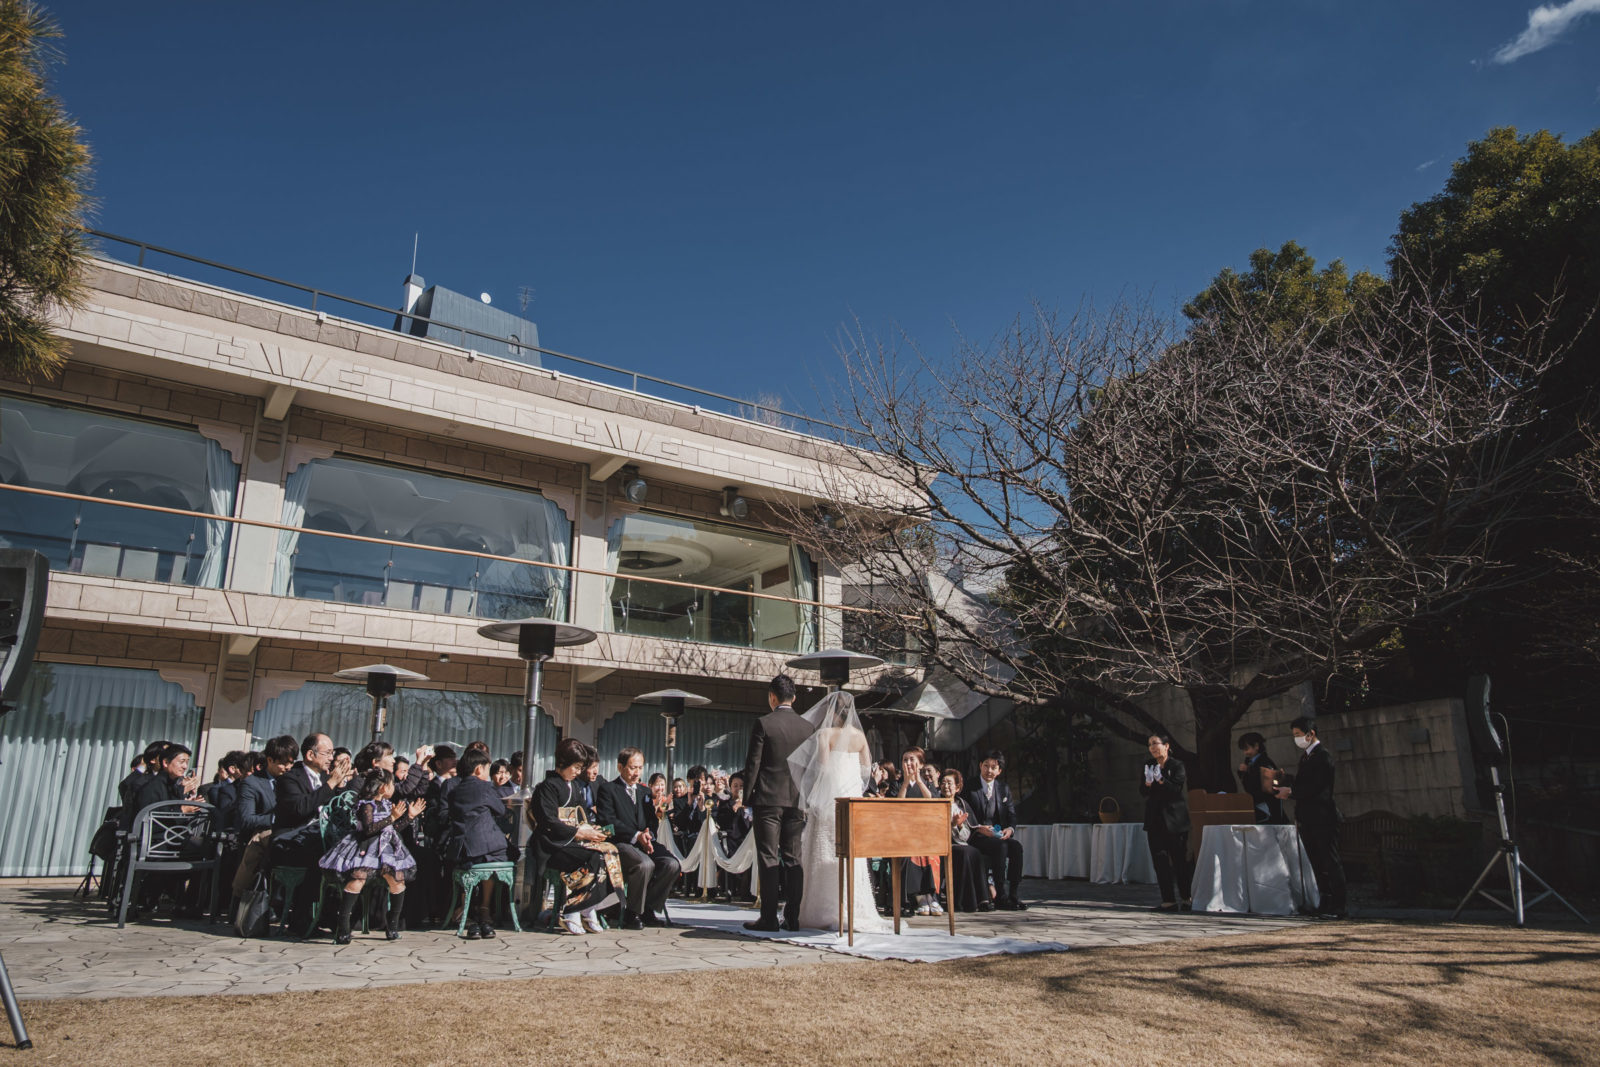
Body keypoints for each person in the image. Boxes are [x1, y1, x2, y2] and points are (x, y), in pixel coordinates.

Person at [786, 690, 890, 934]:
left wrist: (815, 797)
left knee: (824, 852)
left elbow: (821, 769)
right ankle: (853, 908)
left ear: (832, 713)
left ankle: (822, 910)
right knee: (851, 856)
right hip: (852, 801)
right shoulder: (860, 737)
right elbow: (866, 771)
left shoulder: (825, 734)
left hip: (829, 801)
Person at [741, 673, 815, 932]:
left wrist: (746, 798)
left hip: (768, 799)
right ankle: (792, 918)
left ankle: (769, 917)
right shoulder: (808, 728)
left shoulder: (764, 723)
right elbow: (810, 768)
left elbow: (753, 763)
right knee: (794, 858)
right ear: (793, 698)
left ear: (772, 697)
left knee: (768, 857)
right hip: (796, 800)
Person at [529, 738, 624, 935]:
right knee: (592, 858)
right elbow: (548, 821)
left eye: (580, 768)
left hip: (572, 841)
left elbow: (582, 816)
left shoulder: (574, 787)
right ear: (563, 762)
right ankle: (573, 910)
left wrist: (592, 829)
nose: (577, 771)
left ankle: (587, 907)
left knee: (607, 854)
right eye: (576, 767)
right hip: (552, 845)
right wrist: (578, 832)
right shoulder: (547, 787)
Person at [318, 769, 419, 943]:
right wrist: (392, 817)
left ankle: (392, 924)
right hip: (365, 847)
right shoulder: (367, 805)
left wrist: (408, 817)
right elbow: (369, 829)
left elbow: (392, 829)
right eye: (391, 784)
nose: (394, 787)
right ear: (382, 787)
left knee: (397, 879)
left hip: (386, 849)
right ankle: (343, 925)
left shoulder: (387, 804)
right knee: (358, 878)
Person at [596, 747, 681, 929]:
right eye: (633, 768)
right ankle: (632, 913)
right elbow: (608, 821)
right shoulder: (608, 789)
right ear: (620, 767)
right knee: (644, 865)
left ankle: (648, 908)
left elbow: (651, 820)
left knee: (672, 864)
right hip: (621, 843)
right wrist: (636, 836)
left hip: (645, 842)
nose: (637, 773)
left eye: (640, 768)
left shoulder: (644, 792)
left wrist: (649, 835)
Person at [1273, 716, 1348, 919]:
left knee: (1330, 861)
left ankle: (1339, 905)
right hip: (1308, 817)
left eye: (1298, 734)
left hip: (1323, 817)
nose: (1296, 739)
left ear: (1310, 733)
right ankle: (1324, 901)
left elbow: (1317, 787)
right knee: (1316, 861)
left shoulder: (1323, 756)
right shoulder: (1307, 757)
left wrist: (1291, 791)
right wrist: (1287, 781)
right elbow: (1304, 783)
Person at [447, 751, 512, 939]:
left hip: (460, 849)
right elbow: (500, 810)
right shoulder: (485, 788)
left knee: (475, 863)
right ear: (478, 770)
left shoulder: (453, 791)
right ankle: (484, 909)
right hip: (485, 846)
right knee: (498, 856)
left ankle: (468, 911)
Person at [229, 735, 296, 902]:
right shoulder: (252, 783)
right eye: (283, 763)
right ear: (270, 760)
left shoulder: (293, 780)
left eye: (291, 763)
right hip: (261, 834)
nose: (288, 767)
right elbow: (247, 819)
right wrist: (276, 819)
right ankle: (241, 895)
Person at [964, 751, 1027, 910]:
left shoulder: (1003, 788)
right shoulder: (969, 786)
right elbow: (964, 812)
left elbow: (1012, 814)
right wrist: (978, 828)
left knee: (1016, 847)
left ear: (999, 771)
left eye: (993, 767)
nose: (989, 770)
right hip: (976, 835)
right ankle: (1000, 894)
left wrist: (1009, 829)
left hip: (997, 833)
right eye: (986, 766)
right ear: (980, 766)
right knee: (1001, 846)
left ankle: (1013, 894)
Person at [1140, 732, 1192, 912]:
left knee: (1179, 861)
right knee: (1160, 861)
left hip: (1175, 820)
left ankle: (1186, 897)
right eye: (1150, 745)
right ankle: (1168, 900)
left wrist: (1161, 780)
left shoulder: (1177, 765)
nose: (1152, 748)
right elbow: (1143, 792)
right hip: (1155, 820)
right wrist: (1148, 783)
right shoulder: (1148, 765)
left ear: (1166, 745)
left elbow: (1176, 789)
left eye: (1155, 743)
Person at [895, 747, 943, 916]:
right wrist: (906, 782)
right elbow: (896, 806)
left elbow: (933, 803)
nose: (908, 763)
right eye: (905, 760)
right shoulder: (897, 784)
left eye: (912, 760)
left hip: (925, 832)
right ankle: (919, 896)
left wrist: (919, 780)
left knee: (930, 852)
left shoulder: (928, 785)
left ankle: (932, 895)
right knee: (911, 853)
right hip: (904, 833)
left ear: (921, 764)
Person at [942, 769, 991, 913]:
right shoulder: (936, 802)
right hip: (944, 843)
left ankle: (982, 899)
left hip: (960, 843)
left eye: (949, 783)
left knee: (975, 852)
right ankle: (963, 902)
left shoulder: (961, 805)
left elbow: (966, 836)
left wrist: (959, 825)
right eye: (943, 782)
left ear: (957, 787)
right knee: (965, 852)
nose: (946, 786)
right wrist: (952, 825)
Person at [1237, 731, 1285, 824]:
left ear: (1256, 746)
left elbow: (1267, 786)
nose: (1245, 753)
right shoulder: (1249, 762)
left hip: (1268, 807)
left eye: (1247, 749)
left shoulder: (1265, 762)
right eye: (1243, 750)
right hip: (1257, 806)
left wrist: (1248, 771)